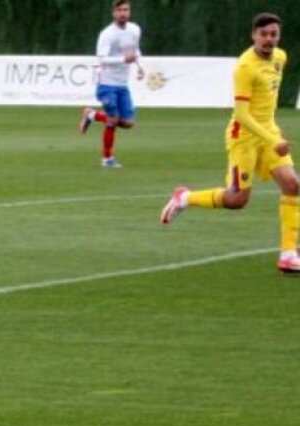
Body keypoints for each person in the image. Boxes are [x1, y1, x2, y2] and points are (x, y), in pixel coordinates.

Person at [160, 13, 300, 275]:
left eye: (274, 34)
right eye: (264, 34)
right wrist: (275, 139)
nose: (269, 39)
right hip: (243, 137)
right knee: (237, 199)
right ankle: (185, 197)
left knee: (293, 185)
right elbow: (243, 115)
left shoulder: (281, 57)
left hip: (269, 132)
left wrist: (272, 134)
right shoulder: (245, 67)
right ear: (254, 36)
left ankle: (289, 254)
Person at [79, 0, 143, 169]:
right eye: (119, 10)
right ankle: (107, 159)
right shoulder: (107, 34)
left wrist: (140, 67)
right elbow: (101, 58)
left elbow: (135, 51)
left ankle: (91, 115)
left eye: (126, 9)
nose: (123, 13)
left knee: (128, 123)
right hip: (106, 82)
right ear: (113, 13)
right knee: (113, 120)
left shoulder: (135, 30)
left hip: (122, 84)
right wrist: (123, 59)